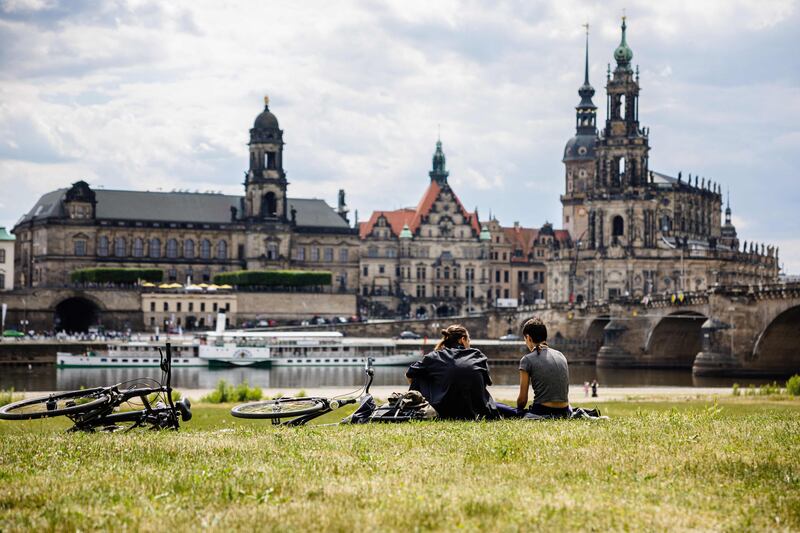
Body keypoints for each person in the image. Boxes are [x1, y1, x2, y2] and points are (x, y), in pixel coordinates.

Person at [406, 324, 499, 420]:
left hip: (444, 411)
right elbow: (487, 382)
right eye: (469, 340)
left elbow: (409, 374)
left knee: (418, 374)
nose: (469, 343)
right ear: (462, 339)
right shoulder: (477, 355)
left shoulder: (434, 356)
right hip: (478, 411)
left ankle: (420, 406)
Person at [516, 317, 571, 418]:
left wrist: (518, 410)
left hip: (542, 411)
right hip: (565, 410)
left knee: (499, 406)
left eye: (525, 339)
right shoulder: (560, 355)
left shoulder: (527, 360)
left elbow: (522, 401)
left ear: (528, 338)